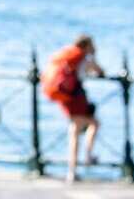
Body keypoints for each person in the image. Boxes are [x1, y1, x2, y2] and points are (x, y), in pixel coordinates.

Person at [42, 34, 105, 183]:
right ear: (87, 45)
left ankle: (75, 168)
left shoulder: (66, 55)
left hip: (65, 97)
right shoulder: (84, 58)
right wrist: (94, 58)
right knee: (85, 128)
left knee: (78, 130)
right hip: (76, 97)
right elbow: (99, 71)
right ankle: (84, 160)